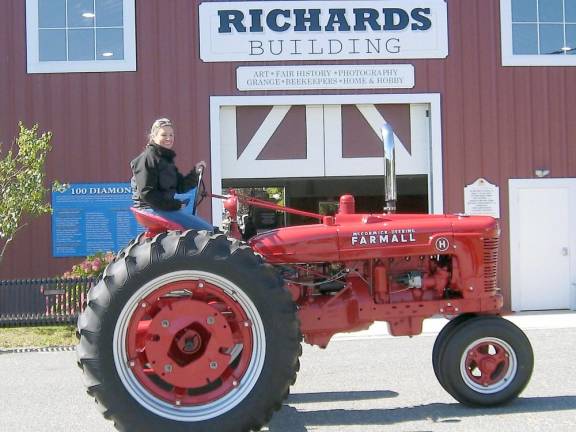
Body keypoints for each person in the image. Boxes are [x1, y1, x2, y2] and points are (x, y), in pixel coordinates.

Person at [130, 118, 213, 231]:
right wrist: (175, 205)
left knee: (204, 230)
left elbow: (180, 186)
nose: (168, 138)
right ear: (153, 137)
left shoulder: (165, 161)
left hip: (162, 208)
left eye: (171, 135)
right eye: (164, 135)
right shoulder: (147, 159)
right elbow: (147, 193)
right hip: (152, 209)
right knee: (208, 231)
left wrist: (195, 173)